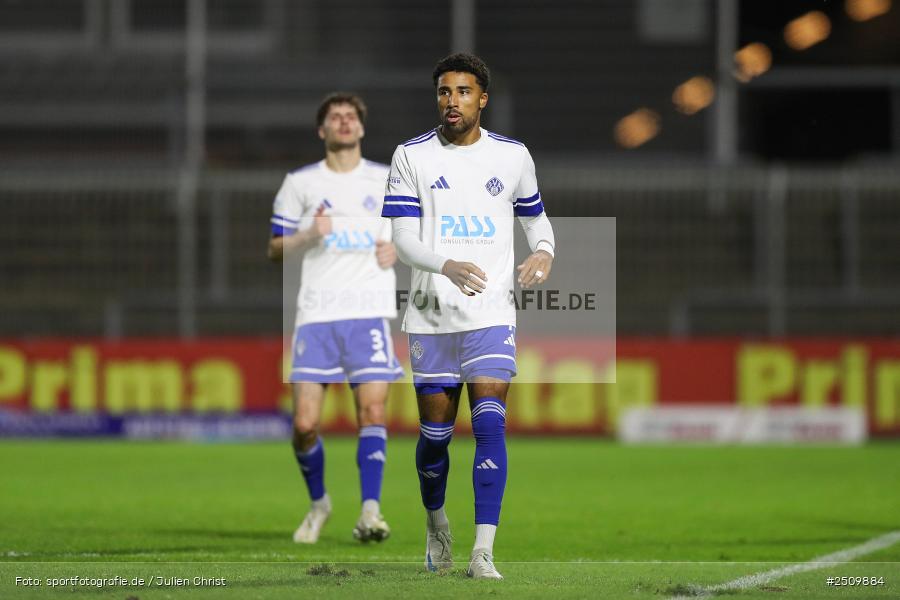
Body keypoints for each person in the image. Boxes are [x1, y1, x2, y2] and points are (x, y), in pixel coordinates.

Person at [382, 54, 556, 579]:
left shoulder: (513, 157)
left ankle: (484, 551)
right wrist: (447, 264)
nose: (450, 100)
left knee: (489, 424)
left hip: (490, 314)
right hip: (432, 316)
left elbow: (537, 220)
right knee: (435, 442)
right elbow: (403, 240)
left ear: (483, 98)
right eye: (443, 91)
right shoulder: (410, 155)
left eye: (462, 91)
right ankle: (436, 522)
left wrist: (544, 251)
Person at [268, 92, 402, 545]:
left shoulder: (388, 178)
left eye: (351, 117)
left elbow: (416, 233)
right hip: (317, 316)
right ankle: (319, 502)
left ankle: (370, 511)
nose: (344, 122)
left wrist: (398, 248)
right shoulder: (300, 183)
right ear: (322, 130)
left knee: (373, 411)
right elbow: (274, 248)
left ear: (361, 128)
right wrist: (308, 233)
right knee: (304, 425)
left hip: (368, 314)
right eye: (334, 117)